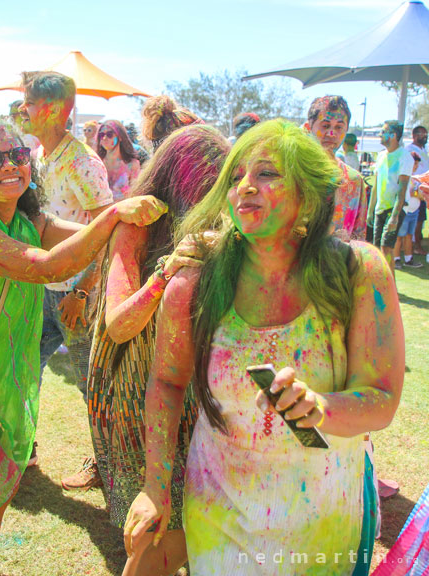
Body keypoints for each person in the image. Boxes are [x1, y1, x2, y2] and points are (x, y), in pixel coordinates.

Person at [125, 119, 404, 575]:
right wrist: (154, 487)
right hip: (221, 504)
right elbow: (167, 382)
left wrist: (321, 407)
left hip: (324, 514)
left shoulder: (357, 272)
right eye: (236, 178)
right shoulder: (195, 283)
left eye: (267, 174)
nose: (246, 187)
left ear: (308, 194)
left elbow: (381, 400)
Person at [0, 118, 166, 576]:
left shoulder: (27, 221)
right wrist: (115, 215)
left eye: (18, 156)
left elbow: (83, 242)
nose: (9, 166)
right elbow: (46, 267)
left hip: (1, 386)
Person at [89, 124, 230, 576]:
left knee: (192, 520)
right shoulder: (137, 228)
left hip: (190, 394)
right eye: (206, 182)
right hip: (134, 394)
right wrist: (166, 275)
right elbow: (118, 324)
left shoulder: (224, 230)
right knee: (160, 528)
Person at [18, 70, 114, 474]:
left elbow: (108, 233)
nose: (23, 111)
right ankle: (25, 448)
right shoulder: (41, 155)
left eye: (31, 104)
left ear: (57, 111)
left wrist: (83, 291)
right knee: (24, 370)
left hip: (76, 292)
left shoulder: (82, 162)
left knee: (92, 385)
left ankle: (108, 465)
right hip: (44, 286)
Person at [304, 95, 366, 241]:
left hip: (338, 262)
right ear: (308, 128)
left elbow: (359, 236)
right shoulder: (293, 173)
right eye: (325, 126)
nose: (331, 134)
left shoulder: (354, 180)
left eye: (339, 127)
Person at [368, 120, 414, 275]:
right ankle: (380, 285)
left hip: (394, 209)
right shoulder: (381, 156)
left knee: (386, 248)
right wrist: (370, 211)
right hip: (380, 209)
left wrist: (394, 217)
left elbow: (402, 191)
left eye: (383, 131)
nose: (380, 135)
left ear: (393, 135)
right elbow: (376, 186)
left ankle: (390, 290)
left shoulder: (405, 157)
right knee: (377, 250)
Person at [97, 120, 141, 201]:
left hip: (123, 211)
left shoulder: (131, 164)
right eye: (101, 135)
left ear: (120, 137)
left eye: (110, 134)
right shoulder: (96, 164)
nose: (104, 138)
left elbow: (136, 194)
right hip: (101, 212)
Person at [406, 125, 429, 255]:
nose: (424, 137)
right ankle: (415, 246)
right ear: (414, 136)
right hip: (414, 189)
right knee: (416, 220)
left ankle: (415, 244)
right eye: (421, 134)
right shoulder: (409, 150)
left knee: (421, 220)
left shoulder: (423, 150)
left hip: (424, 190)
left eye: (426, 135)